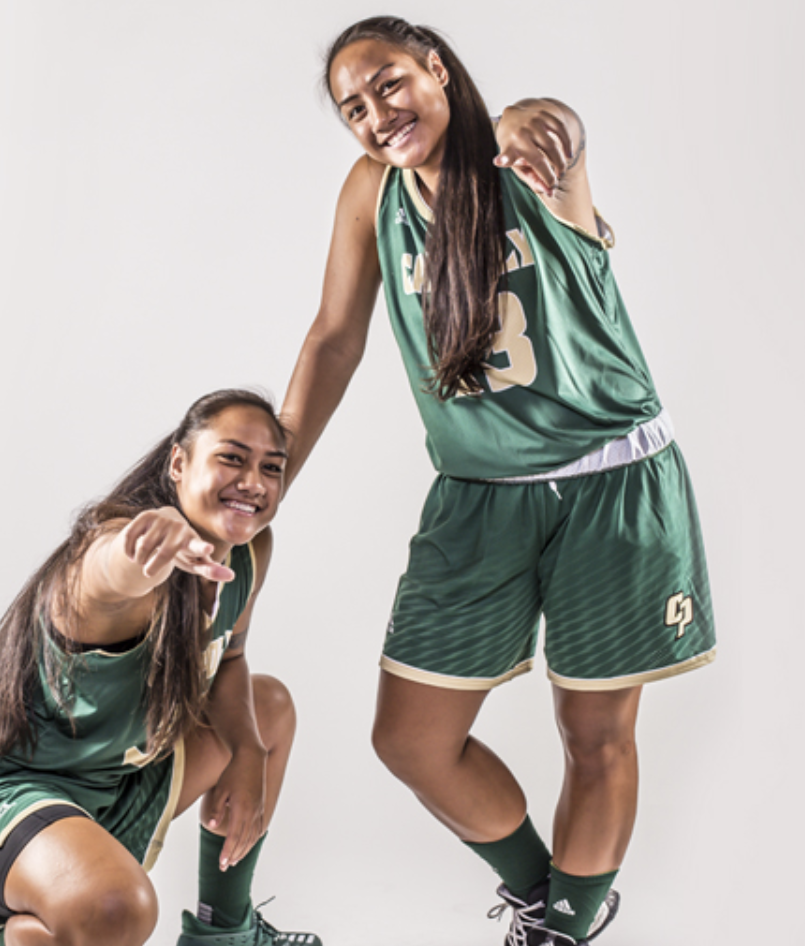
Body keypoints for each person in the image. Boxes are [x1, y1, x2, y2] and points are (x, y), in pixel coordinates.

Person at [281, 16, 714, 946]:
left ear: (437, 67)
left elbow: (550, 126)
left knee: (594, 739)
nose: (376, 113)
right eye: (353, 106)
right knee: (410, 739)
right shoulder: (373, 191)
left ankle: (560, 930)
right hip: (477, 496)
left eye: (390, 83)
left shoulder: (525, 154)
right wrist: (275, 469)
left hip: (613, 481)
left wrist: (533, 119)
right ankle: (547, 894)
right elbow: (334, 337)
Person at [0, 389, 321, 946]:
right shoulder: (123, 559)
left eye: (270, 467)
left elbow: (230, 659)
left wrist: (251, 753)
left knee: (267, 706)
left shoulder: (249, 552)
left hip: (110, 786)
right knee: (118, 908)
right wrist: (143, 547)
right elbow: (106, 572)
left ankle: (224, 934)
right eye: (231, 458)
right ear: (178, 464)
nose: (254, 480)